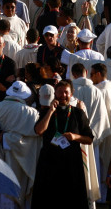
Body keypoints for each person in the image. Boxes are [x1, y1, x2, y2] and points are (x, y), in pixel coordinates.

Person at [30, 80, 94, 209]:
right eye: (60, 92)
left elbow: (89, 139)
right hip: (49, 161)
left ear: (72, 94)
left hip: (71, 162)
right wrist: (50, 112)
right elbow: (39, 131)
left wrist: (75, 137)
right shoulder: (46, 111)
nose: (63, 95)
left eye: (66, 92)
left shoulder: (78, 113)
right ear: (55, 93)